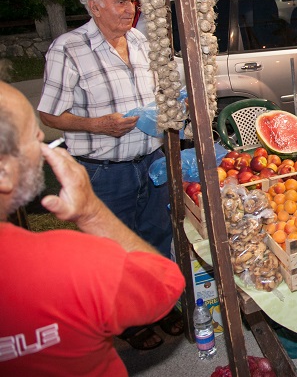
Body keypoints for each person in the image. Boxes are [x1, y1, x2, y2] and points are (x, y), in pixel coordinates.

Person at [0, 81, 185, 375]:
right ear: (4, 174)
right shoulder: (68, 262)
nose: (40, 137)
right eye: (29, 134)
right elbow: (164, 286)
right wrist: (91, 210)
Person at [37, 0, 180, 349]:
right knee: (113, 252)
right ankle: (129, 322)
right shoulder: (68, 48)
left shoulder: (141, 41)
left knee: (155, 239)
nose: (130, 8)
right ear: (94, 6)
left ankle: (159, 307)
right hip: (105, 172)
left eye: (132, 1)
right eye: (121, 1)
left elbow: (163, 92)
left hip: (151, 164)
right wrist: (97, 125)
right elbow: (49, 114)